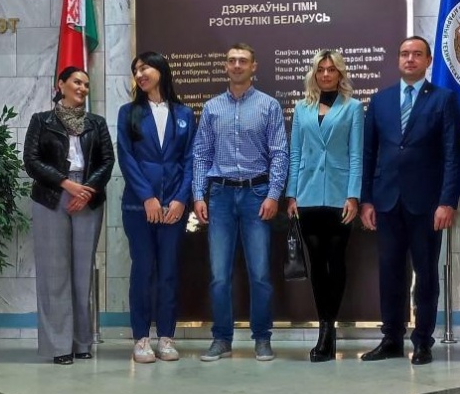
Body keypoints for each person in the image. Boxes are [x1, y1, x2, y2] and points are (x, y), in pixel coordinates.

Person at [360, 36, 460, 366]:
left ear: (428, 61)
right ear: (398, 60)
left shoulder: (443, 99)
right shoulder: (380, 101)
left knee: (426, 275)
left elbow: (452, 154)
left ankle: (423, 341)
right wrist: (366, 200)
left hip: (427, 204)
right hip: (387, 201)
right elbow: (369, 153)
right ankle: (391, 338)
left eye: (417, 54)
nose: (410, 59)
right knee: (390, 273)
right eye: (404, 54)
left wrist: (447, 201)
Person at [192, 43, 289, 362]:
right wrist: (198, 194)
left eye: (243, 61)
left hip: (256, 194)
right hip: (219, 195)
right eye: (232, 60)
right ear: (225, 66)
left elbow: (279, 153)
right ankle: (222, 339)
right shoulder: (212, 108)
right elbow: (201, 154)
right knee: (219, 275)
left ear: (253, 66)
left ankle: (262, 338)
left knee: (259, 273)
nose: (236, 65)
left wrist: (273, 194)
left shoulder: (268, 106)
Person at [23, 66, 115, 365]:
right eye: (77, 82)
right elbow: (31, 161)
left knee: (82, 272)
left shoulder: (96, 123)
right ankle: (58, 346)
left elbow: (107, 161)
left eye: (86, 84)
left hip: (88, 197)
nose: (82, 88)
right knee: (55, 274)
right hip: (52, 197)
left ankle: (81, 341)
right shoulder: (41, 121)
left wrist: (86, 190)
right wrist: (66, 184)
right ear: (61, 85)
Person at [117, 52, 196, 364]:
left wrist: (180, 199)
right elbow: (126, 157)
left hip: (173, 208)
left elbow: (190, 159)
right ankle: (141, 338)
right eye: (135, 70)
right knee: (143, 270)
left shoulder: (184, 113)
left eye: (145, 67)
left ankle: (166, 337)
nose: (140, 74)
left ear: (161, 70)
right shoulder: (129, 113)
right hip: (139, 208)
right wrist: (147, 197)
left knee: (169, 272)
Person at [286, 50, 364, 362]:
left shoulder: (353, 107)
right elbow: (295, 153)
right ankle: (325, 330)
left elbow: (356, 153)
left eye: (332, 69)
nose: (326, 75)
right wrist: (291, 194)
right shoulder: (301, 108)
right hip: (307, 196)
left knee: (336, 260)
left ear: (340, 73)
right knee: (317, 264)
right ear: (314, 74)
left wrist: (353, 195)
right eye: (321, 70)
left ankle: (329, 329)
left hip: (338, 196)